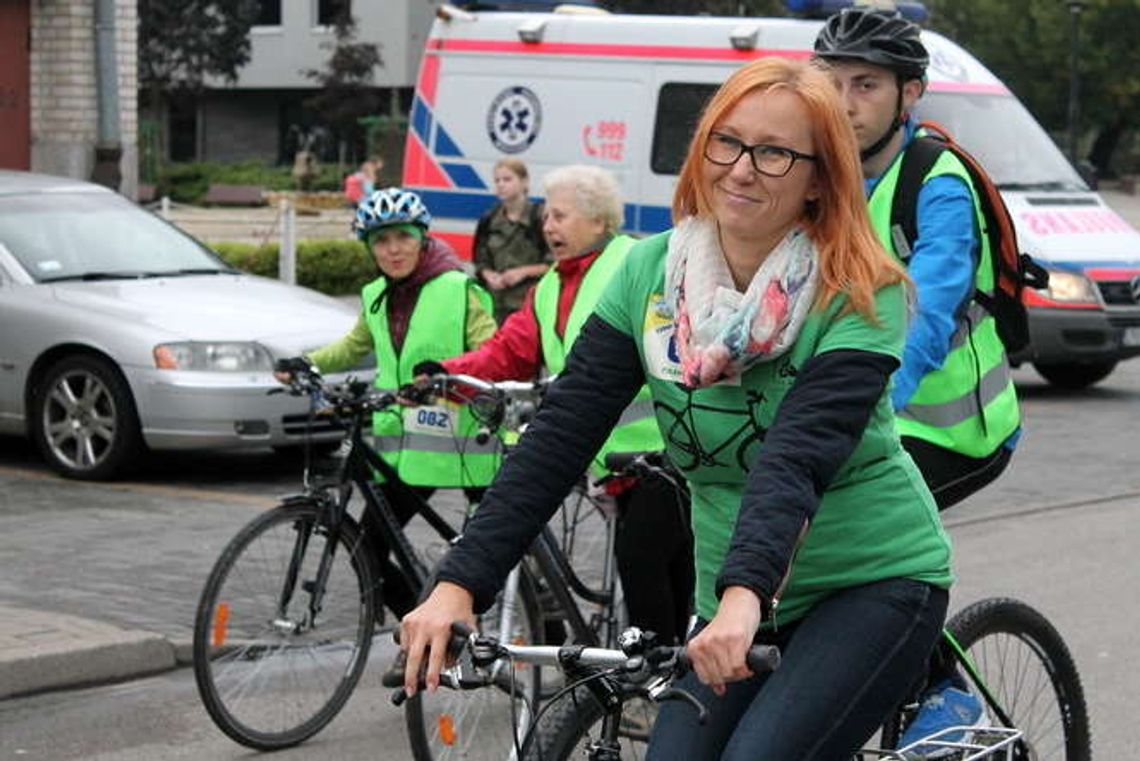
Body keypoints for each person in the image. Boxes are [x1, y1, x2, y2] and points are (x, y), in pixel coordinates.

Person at [398, 57, 953, 761]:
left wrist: (746, 595)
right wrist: (458, 581)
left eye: (775, 152)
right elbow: (561, 433)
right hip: (731, 593)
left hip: (870, 578)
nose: (742, 169)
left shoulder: (859, 290)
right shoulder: (647, 273)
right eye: (727, 140)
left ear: (820, 178)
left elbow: (796, 456)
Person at [814, 7, 1022, 753]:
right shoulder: (815, 178)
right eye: (829, 81)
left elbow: (926, 314)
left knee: (860, 534)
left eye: (863, 84)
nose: (841, 101)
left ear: (910, 94)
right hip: (860, 417)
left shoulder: (935, 180)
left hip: (956, 423)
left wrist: (859, 409)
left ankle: (942, 691)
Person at [417, 163, 693, 646]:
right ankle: (664, 665)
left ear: (600, 223)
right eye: (547, 217)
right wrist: (449, 373)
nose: (548, 227)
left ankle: (663, 680)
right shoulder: (550, 286)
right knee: (657, 567)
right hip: (604, 457)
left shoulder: (635, 263)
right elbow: (510, 351)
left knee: (644, 558)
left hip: (665, 449)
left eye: (562, 217)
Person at [274, 186, 497, 619]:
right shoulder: (376, 294)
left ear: (422, 237)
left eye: (403, 237)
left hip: (467, 442)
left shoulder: (459, 289)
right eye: (381, 241)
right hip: (409, 447)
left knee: (497, 556)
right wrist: (306, 363)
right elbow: (353, 345)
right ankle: (424, 631)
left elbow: (492, 352)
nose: (393, 250)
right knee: (367, 549)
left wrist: (444, 374)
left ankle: (549, 625)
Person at [472, 158, 551, 322]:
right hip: (495, 305)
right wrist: (489, 275)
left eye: (507, 179)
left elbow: (556, 263)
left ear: (524, 182)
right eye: (497, 180)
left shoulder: (540, 218)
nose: (501, 184)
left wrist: (522, 272)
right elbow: (480, 259)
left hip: (530, 306)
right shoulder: (489, 219)